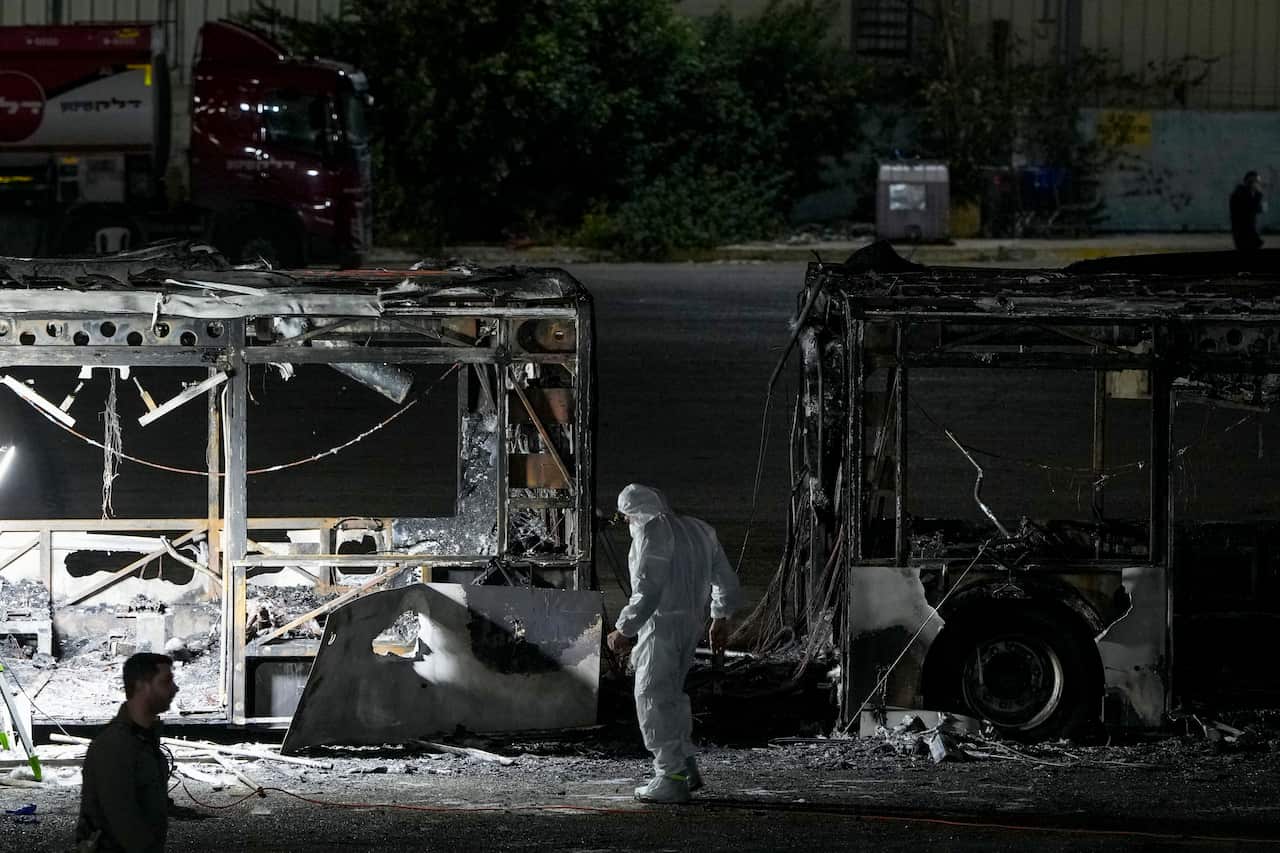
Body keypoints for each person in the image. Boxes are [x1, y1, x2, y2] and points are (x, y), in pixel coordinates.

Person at [606, 484, 741, 804]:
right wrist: (720, 616)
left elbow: (648, 590)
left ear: (634, 513)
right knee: (673, 697)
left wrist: (624, 629)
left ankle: (670, 777)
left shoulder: (652, 531)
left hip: (661, 626)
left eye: (626, 518)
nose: (627, 524)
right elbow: (726, 579)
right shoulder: (699, 529)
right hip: (690, 626)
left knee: (651, 697)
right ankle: (686, 766)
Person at [75, 652, 180, 852]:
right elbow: (125, 824)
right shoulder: (114, 746)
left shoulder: (144, 741)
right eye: (166, 681)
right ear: (142, 686)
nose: (175, 688)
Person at [1230, 170, 1265, 251]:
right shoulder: (1240, 193)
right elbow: (1249, 209)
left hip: (1248, 233)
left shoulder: (1247, 193)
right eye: (1256, 182)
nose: (1258, 184)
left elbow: (1256, 210)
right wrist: (1259, 195)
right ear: (1250, 182)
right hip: (1243, 234)